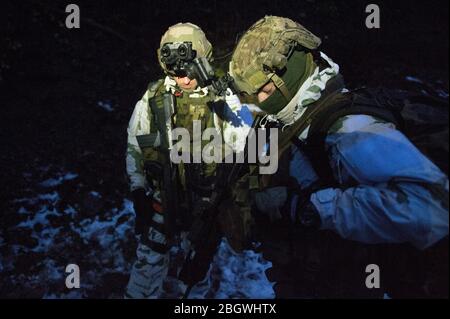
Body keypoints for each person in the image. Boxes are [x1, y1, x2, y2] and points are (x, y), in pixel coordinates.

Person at [229, 15, 448, 254]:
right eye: (253, 94)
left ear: (293, 70)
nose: (261, 101)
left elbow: (430, 209)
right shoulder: (296, 116)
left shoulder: (347, 127)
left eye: (266, 90)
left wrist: (306, 207)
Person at [125, 22, 254, 298]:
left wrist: (227, 104)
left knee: (197, 272)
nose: (184, 79)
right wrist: (138, 189)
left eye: (188, 71)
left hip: (204, 206)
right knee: (147, 268)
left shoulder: (223, 98)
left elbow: (245, 145)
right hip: (163, 201)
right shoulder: (154, 97)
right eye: (176, 73)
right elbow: (136, 144)